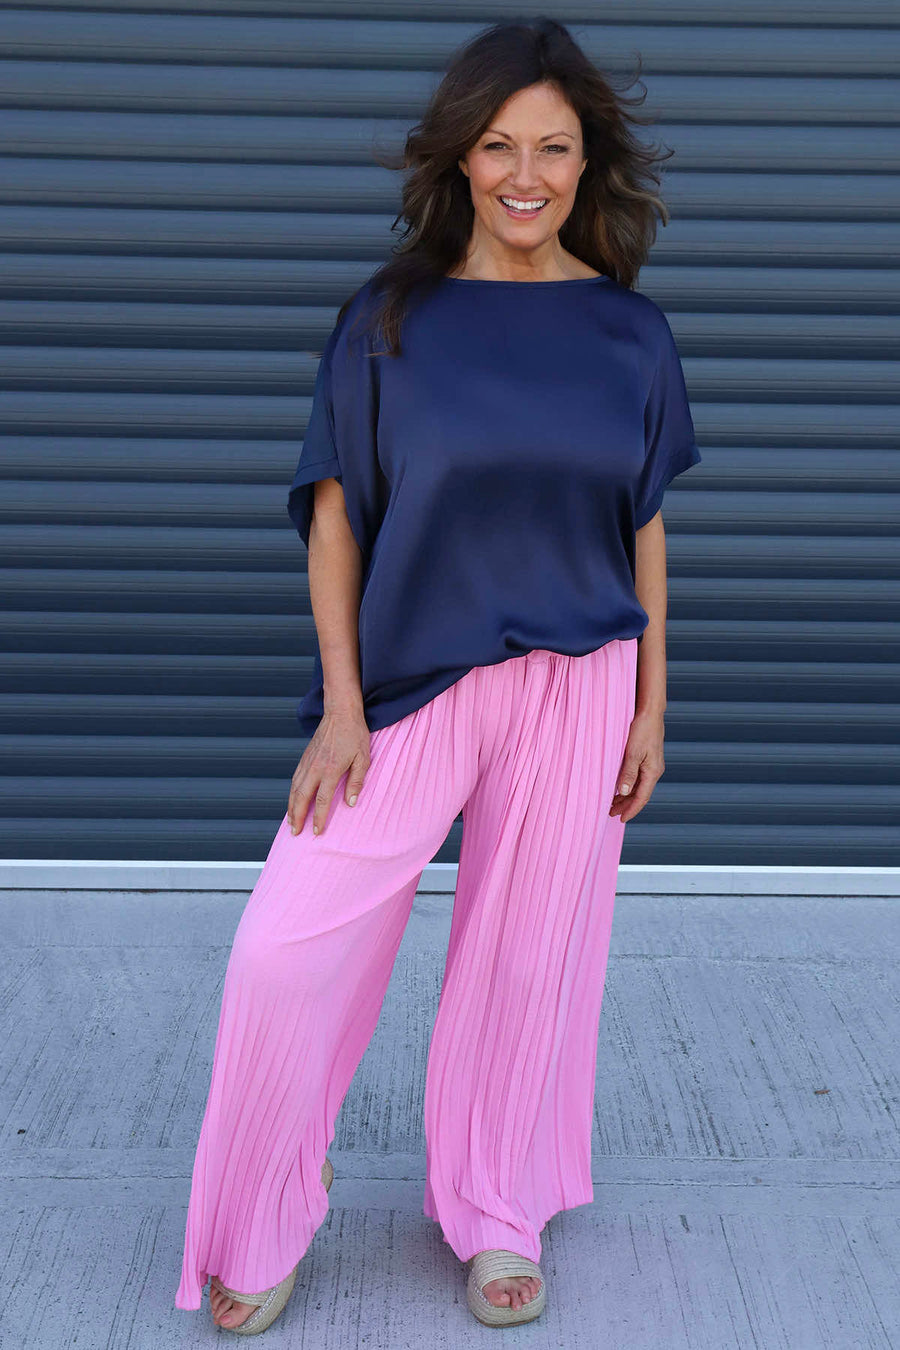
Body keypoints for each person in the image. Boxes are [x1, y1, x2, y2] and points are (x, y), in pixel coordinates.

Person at [175, 16, 701, 1335]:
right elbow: (336, 518)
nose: (526, 176)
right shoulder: (388, 320)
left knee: (528, 968)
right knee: (285, 948)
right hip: (414, 681)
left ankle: (499, 1207)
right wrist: (342, 704)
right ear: (461, 157)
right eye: (500, 146)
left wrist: (652, 701)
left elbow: (643, 522)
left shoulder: (631, 333)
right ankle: (263, 1209)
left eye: (554, 149)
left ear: (587, 163)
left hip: (580, 683)